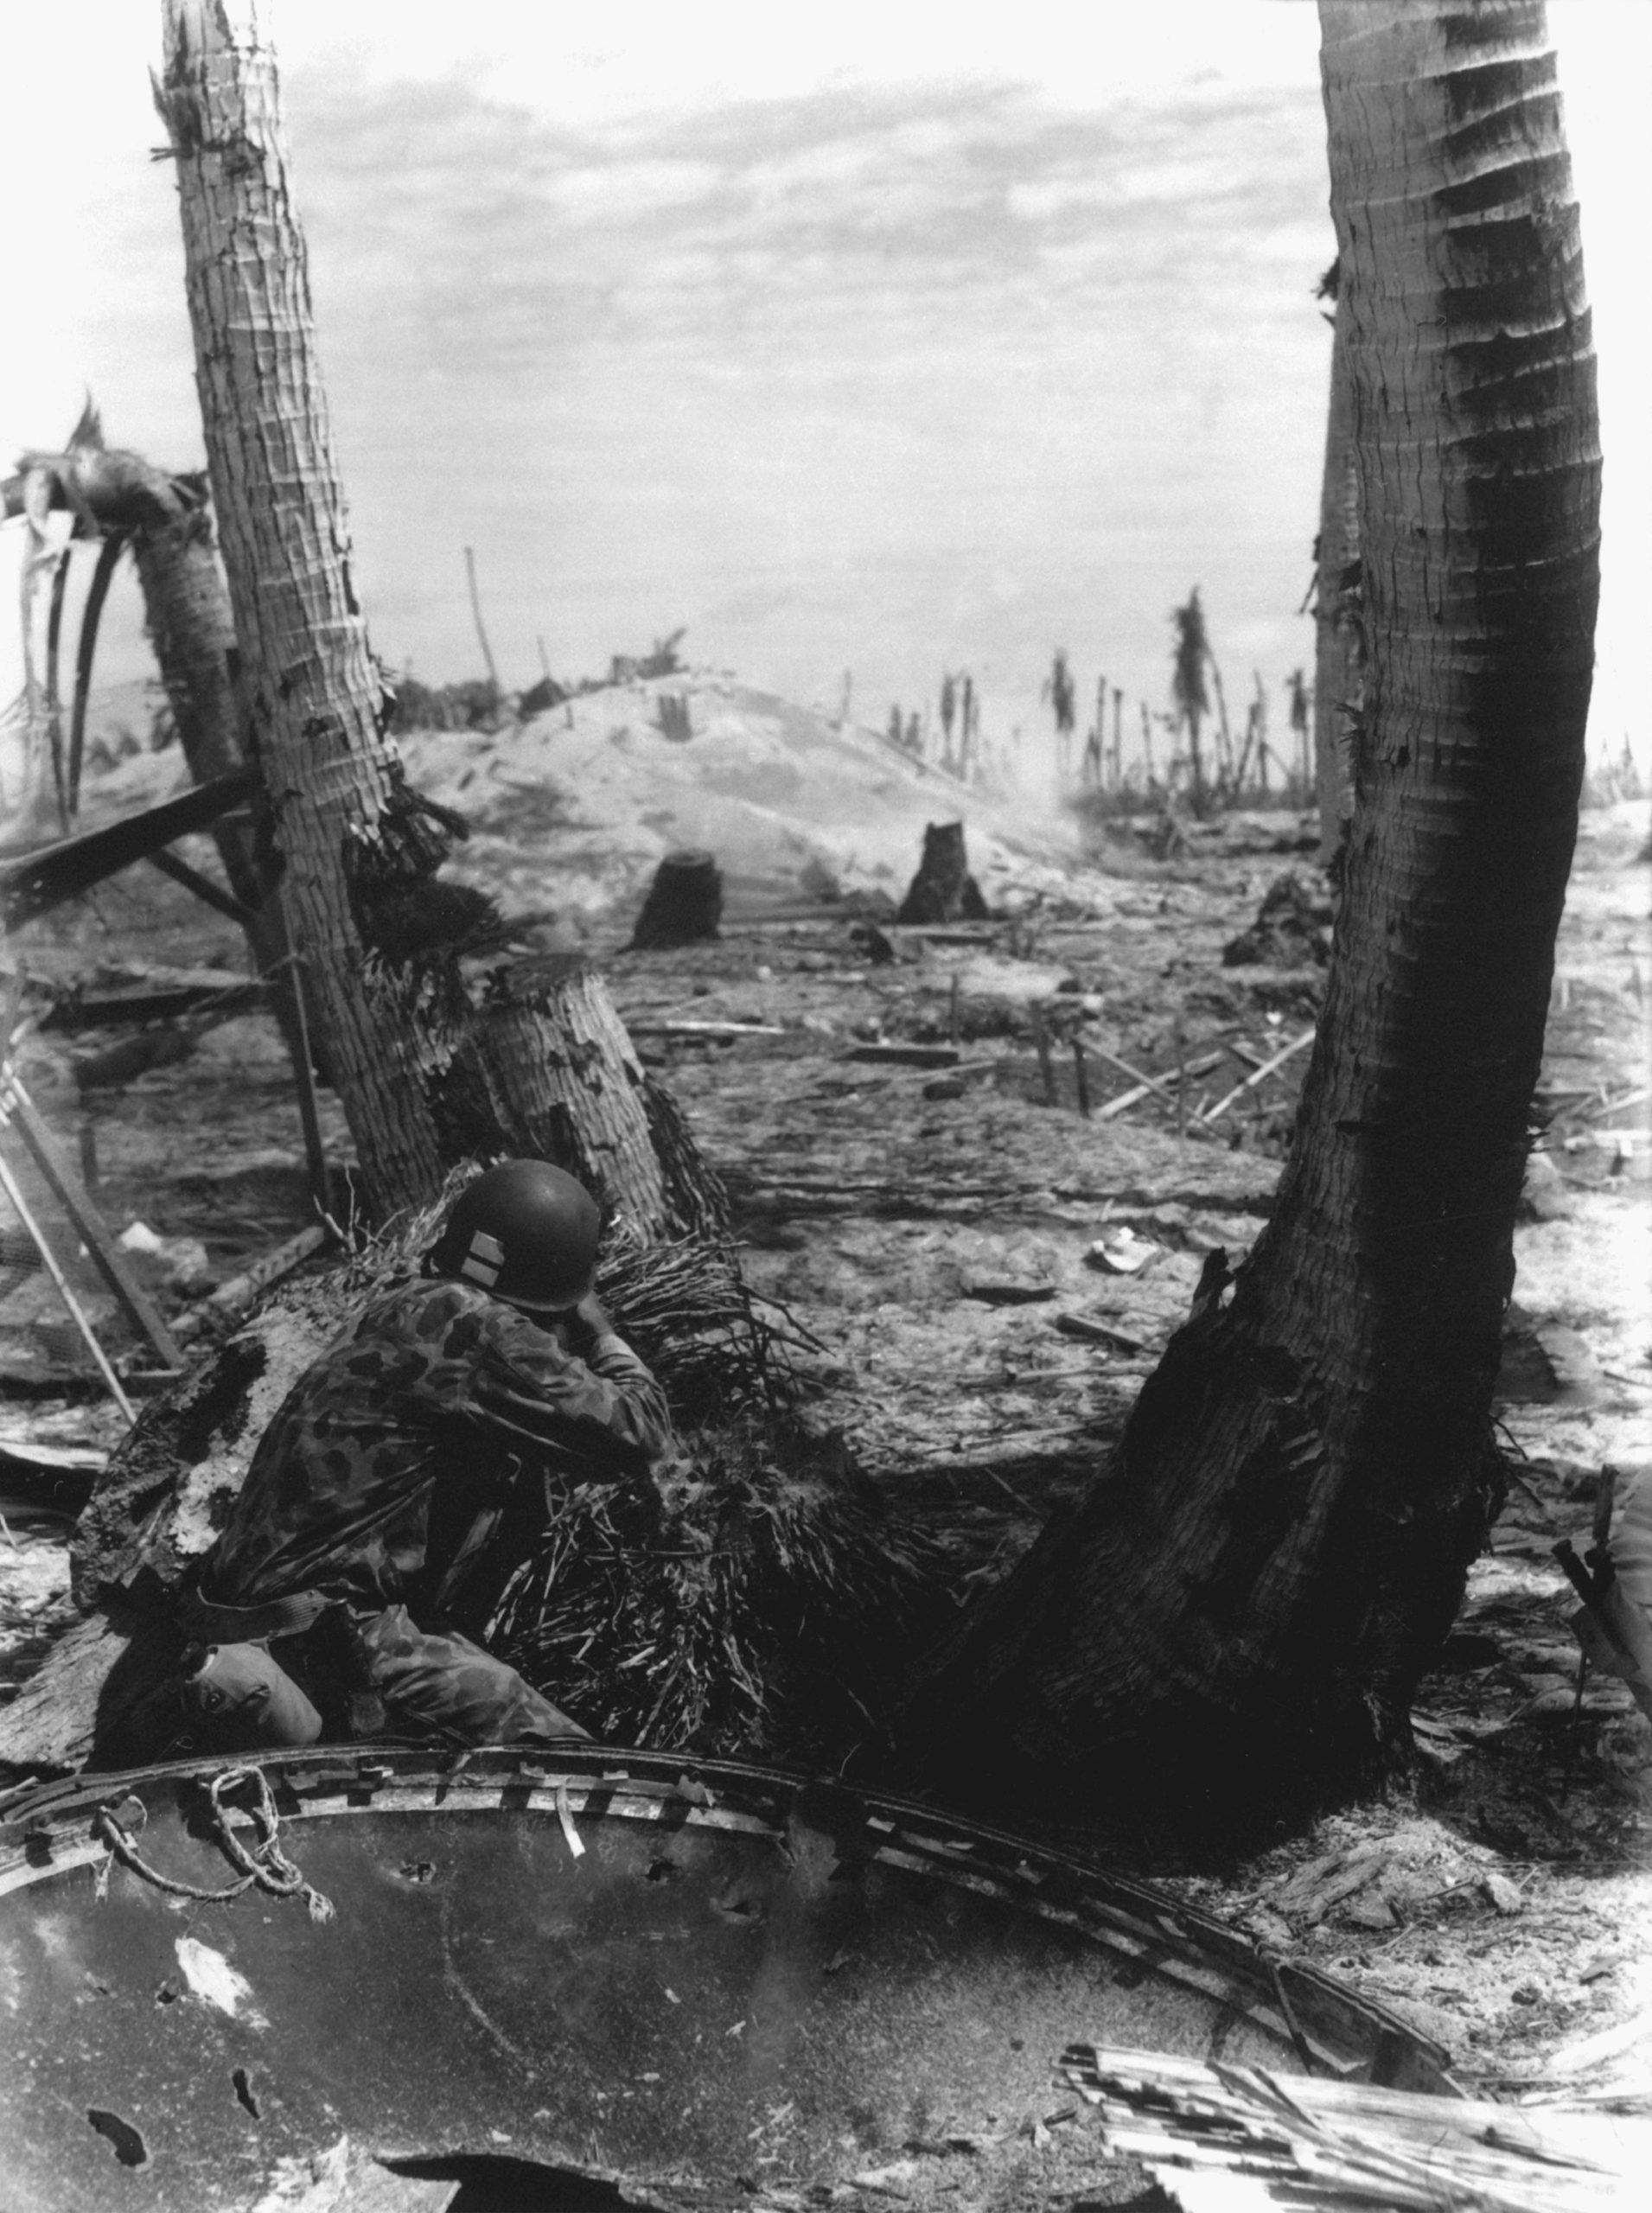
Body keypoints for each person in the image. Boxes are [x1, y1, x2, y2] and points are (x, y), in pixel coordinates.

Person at [180, 1160, 674, 1752]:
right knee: (565, 1764)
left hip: (259, 1617)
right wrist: (600, 1333)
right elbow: (638, 1433)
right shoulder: (474, 1326)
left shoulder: (401, 1304)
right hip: (334, 1635)